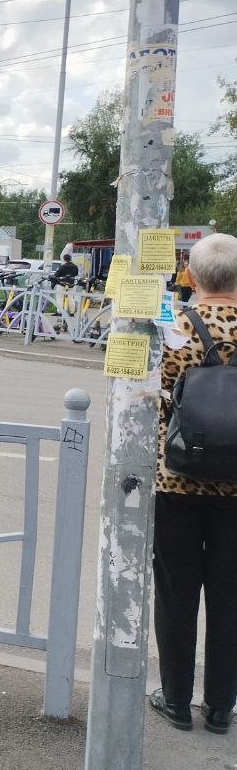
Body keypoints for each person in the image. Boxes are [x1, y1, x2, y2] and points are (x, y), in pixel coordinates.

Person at [149, 232, 237, 736]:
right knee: (230, 597)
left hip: (178, 479)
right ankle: (222, 707)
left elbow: (146, 393)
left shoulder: (174, 326)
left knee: (177, 593)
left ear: (194, 275)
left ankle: (178, 700)